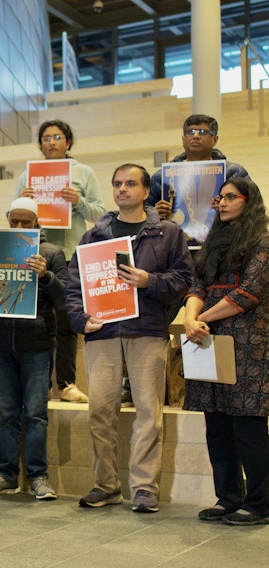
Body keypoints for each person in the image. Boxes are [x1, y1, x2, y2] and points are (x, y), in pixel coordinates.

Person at [65, 163, 192, 513]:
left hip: (147, 331)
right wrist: (80, 318)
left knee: (149, 412)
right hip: (102, 331)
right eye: (117, 183)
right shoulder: (94, 235)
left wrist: (148, 281)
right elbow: (74, 286)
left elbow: (183, 280)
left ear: (146, 190)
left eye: (131, 183)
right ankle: (105, 484)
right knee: (99, 411)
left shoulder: (168, 233)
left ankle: (145, 488)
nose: (123, 189)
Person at [183, 178, 269, 526]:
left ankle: (261, 504)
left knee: (247, 426)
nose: (222, 202)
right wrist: (190, 319)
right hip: (207, 338)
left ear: (249, 202)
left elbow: (248, 293)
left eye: (231, 197)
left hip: (247, 342)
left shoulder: (263, 241)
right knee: (216, 424)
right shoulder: (211, 242)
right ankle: (228, 497)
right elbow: (197, 284)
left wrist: (200, 317)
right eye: (220, 197)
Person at [0, 197, 67, 500]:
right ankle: (6, 475)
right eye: (13, 221)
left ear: (36, 223)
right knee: (7, 414)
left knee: (37, 414)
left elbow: (66, 299)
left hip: (37, 346)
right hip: (2, 345)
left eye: (25, 222)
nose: (18, 226)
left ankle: (39, 476)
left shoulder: (52, 253)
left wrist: (47, 276)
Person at [14, 120, 105, 404]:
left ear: (68, 142)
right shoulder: (27, 175)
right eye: (46, 138)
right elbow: (11, 212)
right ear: (40, 144)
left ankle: (65, 383)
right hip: (32, 253)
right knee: (34, 319)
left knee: (66, 319)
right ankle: (38, 383)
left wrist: (78, 202)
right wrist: (21, 199)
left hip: (69, 254)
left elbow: (100, 214)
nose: (51, 142)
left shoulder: (83, 173)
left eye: (57, 137)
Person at [148, 114, 250, 223]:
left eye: (203, 132)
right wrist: (154, 213)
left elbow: (252, 208)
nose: (196, 136)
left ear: (215, 139)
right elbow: (142, 214)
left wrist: (228, 206)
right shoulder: (161, 177)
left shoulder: (233, 173)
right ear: (183, 139)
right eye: (191, 132)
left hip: (225, 237)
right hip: (175, 238)